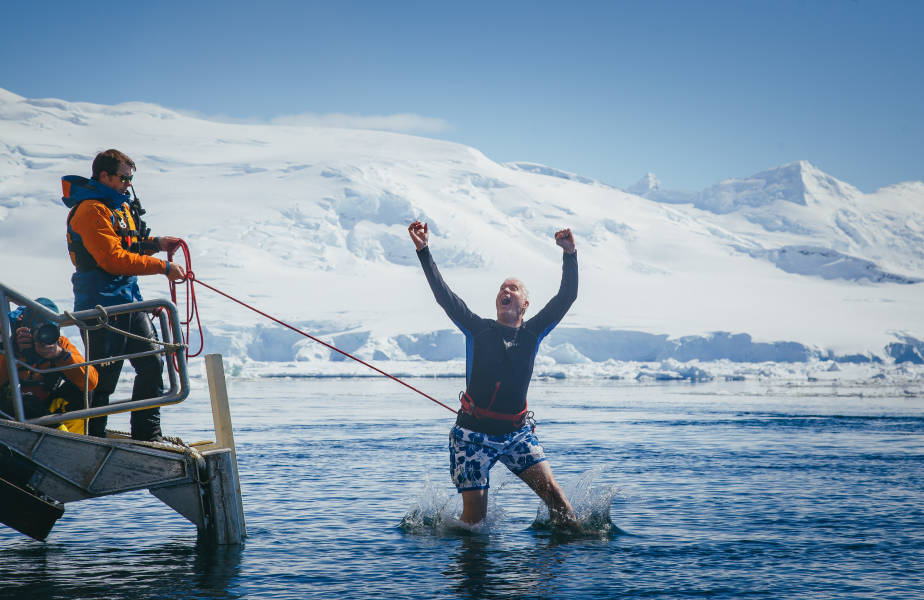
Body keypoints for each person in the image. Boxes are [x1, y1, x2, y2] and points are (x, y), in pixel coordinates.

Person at [408, 220, 581, 528]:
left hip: (517, 435)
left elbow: (566, 298)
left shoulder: (533, 332)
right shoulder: (478, 329)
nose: (505, 290)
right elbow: (444, 295)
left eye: (512, 288)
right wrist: (424, 250)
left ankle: (562, 561)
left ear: (525, 303)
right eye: (502, 287)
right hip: (472, 436)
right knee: (475, 522)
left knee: (559, 504)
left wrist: (570, 254)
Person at [61, 149, 185, 441]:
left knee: (153, 365)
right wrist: (163, 267)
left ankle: (147, 434)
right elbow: (112, 259)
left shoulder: (119, 207)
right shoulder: (91, 210)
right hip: (101, 304)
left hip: (129, 299)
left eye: (130, 179)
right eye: (123, 178)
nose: (128, 184)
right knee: (104, 378)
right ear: (104, 176)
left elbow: (128, 244)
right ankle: (93, 437)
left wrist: (156, 243)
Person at [1, 298, 98, 434]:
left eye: (47, 329)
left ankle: (73, 439)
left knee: (83, 391)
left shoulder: (59, 344)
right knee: (26, 400)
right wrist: (11, 351)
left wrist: (61, 355)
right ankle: (61, 434)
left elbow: (91, 382)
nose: (42, 336)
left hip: (45, 407)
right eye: (37, 329)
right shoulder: (7, 340)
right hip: (11, 411)